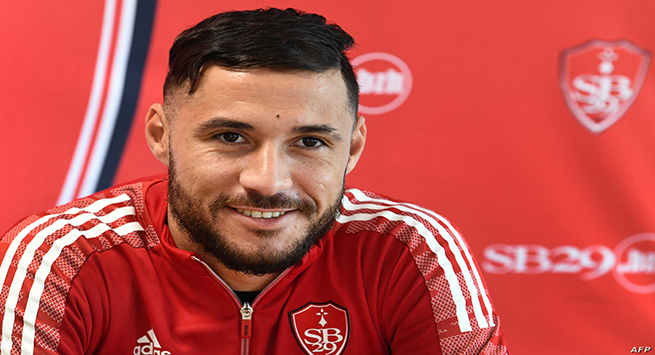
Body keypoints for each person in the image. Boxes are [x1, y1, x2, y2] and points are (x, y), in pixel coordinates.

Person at [0, 8, 507, 355]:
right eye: (230, 136)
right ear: (162, 135)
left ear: (351, 148)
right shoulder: (63, 259)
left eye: (310, 142)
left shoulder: (407, 250)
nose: (268, 181)